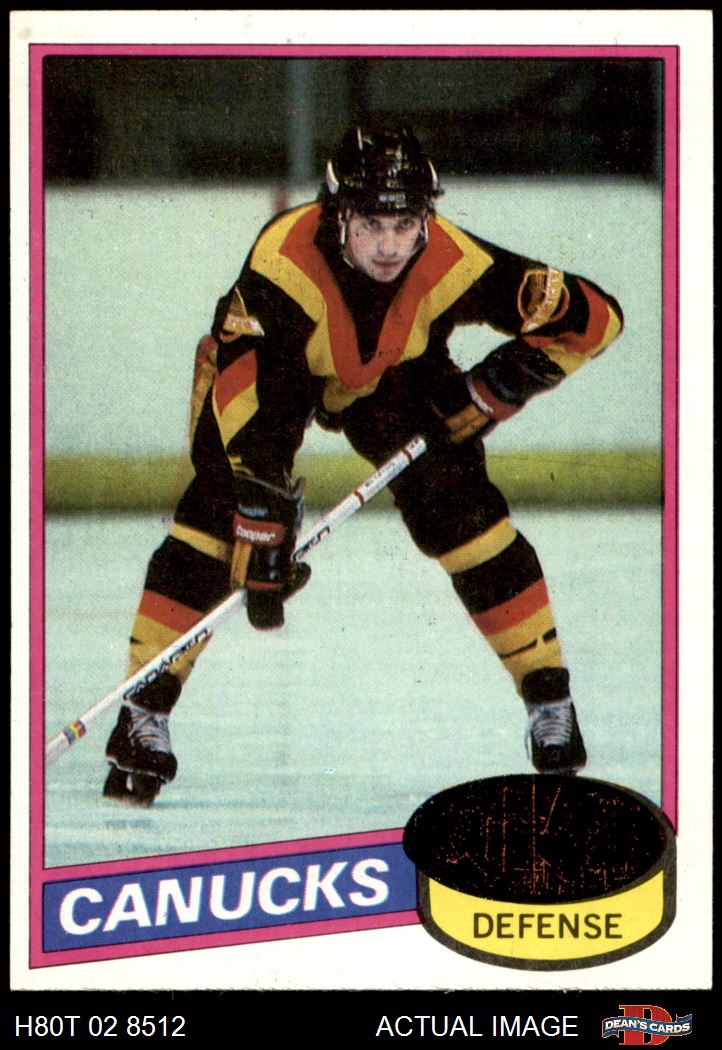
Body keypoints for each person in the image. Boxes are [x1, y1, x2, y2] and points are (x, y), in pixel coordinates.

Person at [103, 125, 623, 806]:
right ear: (337, 215)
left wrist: (500, 383)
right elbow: (245, 386)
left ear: (426, 218)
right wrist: (257, 504)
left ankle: (550, 704)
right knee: (215, 515)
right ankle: (142, 714)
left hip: (394, 382)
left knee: (463, 514)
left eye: (404, 224)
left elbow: (597, 318)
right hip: (270, 381)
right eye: (371, 223)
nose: (388, 245)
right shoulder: (283, 263)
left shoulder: (454, 259)